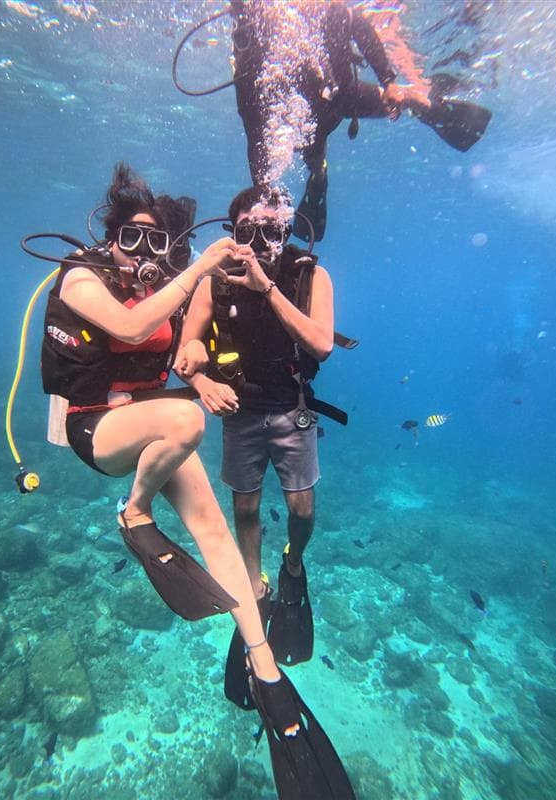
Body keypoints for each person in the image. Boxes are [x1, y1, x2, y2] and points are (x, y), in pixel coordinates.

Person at [41, 163, 356, 800]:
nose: (145, 255)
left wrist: (197, 353)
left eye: (159, 242)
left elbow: (188, 344)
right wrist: (196, 272)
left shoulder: (188, 282)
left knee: (217, 534)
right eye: (131, 239)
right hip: (94, 427)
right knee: (187, 417)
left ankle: (266, 674)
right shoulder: (81, 277)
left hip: (155, 424)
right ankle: (134, 512)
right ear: (109, 242)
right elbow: (130, 330)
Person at [177, 184, 334, 702]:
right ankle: (255, 584)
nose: (261, 242)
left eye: (272, 231)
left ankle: (293, 562)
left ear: (286, 231)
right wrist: (201, 381)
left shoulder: (310, 274)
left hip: (293, 408)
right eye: (248, 232)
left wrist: (267, 288)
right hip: (239, 412)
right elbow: (189, 347)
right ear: (234, 232)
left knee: (302, 510)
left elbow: (322, 345)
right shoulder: (215, 281)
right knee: (244, 511)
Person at [229, 0, 491, 240]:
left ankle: (434, 111)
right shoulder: (251, 59)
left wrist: (388, 81)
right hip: (304, 117)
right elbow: (255, 135)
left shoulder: (327, 11)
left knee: (402, 98)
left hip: (340, 99)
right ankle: (319, 177)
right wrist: (261, 193)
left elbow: (360, 29)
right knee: (313, 156)